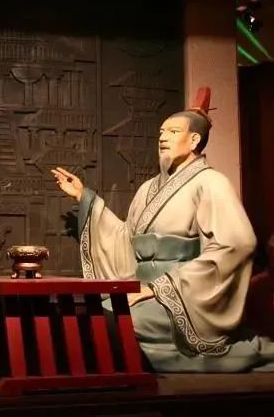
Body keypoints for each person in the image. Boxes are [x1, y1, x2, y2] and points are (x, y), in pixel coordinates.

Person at [51, 87, 274, 372]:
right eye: (161, 132)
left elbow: (237, 244)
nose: (162, 137)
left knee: (117, 323)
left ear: (194, 140)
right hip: (142, 290)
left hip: (183, 298)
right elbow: (125, 239)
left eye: (172, 132)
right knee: (92, 316)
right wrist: (85, 199)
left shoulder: (211, 183)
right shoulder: (148, 189)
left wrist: (162, 289)